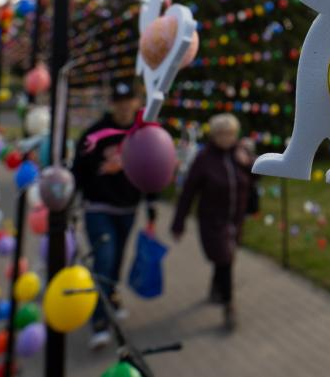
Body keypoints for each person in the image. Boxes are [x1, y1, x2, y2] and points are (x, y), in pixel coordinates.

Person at [71, 78, 157, 350]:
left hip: (128, 208)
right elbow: (78, 170)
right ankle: (99, 321)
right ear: (111, 104)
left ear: (137, 102)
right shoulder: (95, 134)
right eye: (118, 101)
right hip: (98, 208)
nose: (123, 106)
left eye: (128, 100)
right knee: (104, 260)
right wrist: (72, 202)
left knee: (117, 259)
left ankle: (112, 298)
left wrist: (151, 206)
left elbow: (151, 169)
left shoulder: (143, 134)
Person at [171, 113, 254, 330]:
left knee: (226, 258)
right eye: (221, 133)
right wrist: (178, 223)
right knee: (225, 259)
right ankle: (229, 305)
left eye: (230, 133)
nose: (226, 138)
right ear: (214, 135)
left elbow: (256, 177)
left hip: (236, 220)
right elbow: (188, 192)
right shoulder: (204, 159)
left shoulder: (241, 153)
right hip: (212, 221)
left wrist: (248, 164)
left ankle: (216, 288)